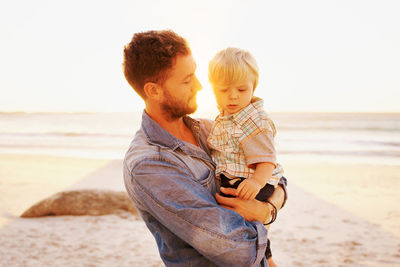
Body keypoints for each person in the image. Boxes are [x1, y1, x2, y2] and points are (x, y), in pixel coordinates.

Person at [122, 29, 287, 267]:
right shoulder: (148, 165)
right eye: (187, 80)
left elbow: (276, 176)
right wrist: (267, 212)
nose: (200, 86)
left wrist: (268, 209)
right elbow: (238, 250)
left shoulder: (212, 129)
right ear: (153, 91)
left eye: (195, 74)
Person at [207, 47, 285, 266]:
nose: (233, 96)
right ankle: (268, 257)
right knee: (252, 225)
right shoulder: (228, 115)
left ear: (254, 87)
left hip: (254, 181)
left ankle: (265, 257)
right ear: (213, 90)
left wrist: (256, 182)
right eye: (224, 90)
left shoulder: (253, 121)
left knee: (248, 225)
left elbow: (267, 160)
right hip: (239, 179)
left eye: (241, 89)